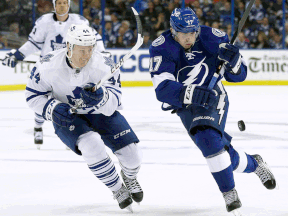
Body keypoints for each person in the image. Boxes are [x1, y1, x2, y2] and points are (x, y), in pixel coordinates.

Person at [149, 7, 277, 214]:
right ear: (173, 31)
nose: (189, 38)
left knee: (207, 139)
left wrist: (234, 62)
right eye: (184, 34)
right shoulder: (161, 47)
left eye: (193, 32)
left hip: (213, 97)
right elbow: (163, 90)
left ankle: (229, 192)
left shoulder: (213, 38)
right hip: (185, 104)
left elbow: (240, 75)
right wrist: (192, 94)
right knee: (218, 149)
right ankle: (255, 163)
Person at [24, 24, 143, 211]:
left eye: (90, 50)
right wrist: (52, 108)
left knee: (132, 155)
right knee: (91, 144)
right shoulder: (47, 66)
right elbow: (32, 96)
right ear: (69, 47)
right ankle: (117, 188)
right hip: (68, 117)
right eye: (81, 50)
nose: (86, 55)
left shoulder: (105, 64)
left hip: (100, 113)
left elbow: (115, 103)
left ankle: (129, 176)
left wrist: (102, 97)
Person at [2, 0, 105, 149]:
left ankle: (72, 132)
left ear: (68, 5)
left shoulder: (79, 21)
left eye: (64, 3)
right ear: (54, 5)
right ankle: (38, 126)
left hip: (70, 67)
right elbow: (33, 43)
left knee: (71, 101)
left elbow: (93, 38)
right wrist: (18, 55)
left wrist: (102, 55)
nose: (62, 6)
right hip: (48, 68)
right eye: (59, 3)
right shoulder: (44, 21)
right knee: (42, 99)